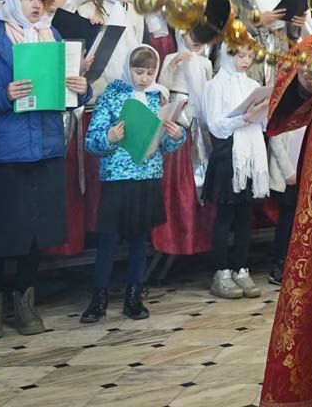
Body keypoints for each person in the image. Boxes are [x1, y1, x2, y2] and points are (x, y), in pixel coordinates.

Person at [0, 0, 90, 340]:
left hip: (46, 147)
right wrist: (4, 94)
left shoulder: (53, 37)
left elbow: (69, 97)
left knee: (36, 230)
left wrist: (82, 89)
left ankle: (25, 300)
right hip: (3, 151)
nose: (35, 4)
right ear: (14, 0)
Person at [81, 45, 184, 324]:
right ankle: (98, 299)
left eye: (150, 72)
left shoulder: (159, 96)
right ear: (129, 69)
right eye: (139, 72)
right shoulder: (112, 94)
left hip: (147, 176)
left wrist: (175, 135)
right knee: (108, 239)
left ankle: (134, 296)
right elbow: (91, 141)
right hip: (117, 177)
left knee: (140, 239)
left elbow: (164, 145)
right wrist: (110, 138)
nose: (144, 78)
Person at [200, 46, 272, 300]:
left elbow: (264, 124)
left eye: (251, 56)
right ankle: (221, 273)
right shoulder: (214, 86)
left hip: (250, 155)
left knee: (244, 216)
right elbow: (215, 126)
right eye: (241, 56)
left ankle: (241, 269)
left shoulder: (253, 84)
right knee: (225, 216)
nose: (246, 61)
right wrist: (245, 118)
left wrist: (264, 110)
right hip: (227, 155)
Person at [153, 29, 216, 259]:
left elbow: (209, 90)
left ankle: (198, 237)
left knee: (200, 176)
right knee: (177, 179)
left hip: (198, 123)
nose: (196, 40)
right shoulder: (171, 57)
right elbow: (162, 88)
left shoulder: (206, 63)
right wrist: (172, 65)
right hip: (177, 120)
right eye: (191, 35)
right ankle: (173, 236)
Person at [83, 0, 143, 85]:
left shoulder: (134, 12)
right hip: (96, 87)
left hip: (129, 84)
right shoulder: (87, 10)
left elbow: (138, 49)